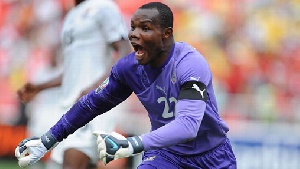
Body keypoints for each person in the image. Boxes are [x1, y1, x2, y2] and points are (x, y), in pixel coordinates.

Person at [15, 2, 237, 169]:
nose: (134, 34)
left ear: (166, 34)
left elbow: (188, 126)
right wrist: (46, 140)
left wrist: (131, 144)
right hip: (165, 154)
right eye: (133, 27)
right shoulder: (128, 68)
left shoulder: (189, 64)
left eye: (145, 28)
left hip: (213, 155)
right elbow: (90, 105)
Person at [16, 0, 132, 168]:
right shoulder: (72, 15)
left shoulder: (103, 7)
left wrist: (97, 88)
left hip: (90, 106)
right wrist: (41, 87)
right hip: (69, 107)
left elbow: (125, 51)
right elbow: (73, 69)